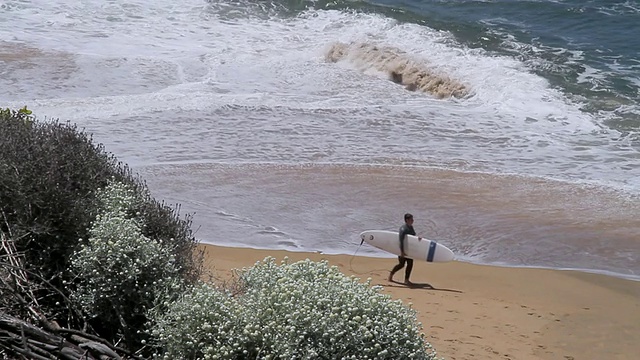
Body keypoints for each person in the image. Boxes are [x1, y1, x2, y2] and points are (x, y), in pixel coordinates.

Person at [388, 213, 422, 285]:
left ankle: (406, 280)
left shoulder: (411, 227)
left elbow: (412, 238)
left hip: (409, 250)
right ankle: (391, 274)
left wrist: (418, 239)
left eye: (412, 219)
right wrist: (402, 252)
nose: (413, 220)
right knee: (401, 264)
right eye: (411, 219)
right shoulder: (403, 229)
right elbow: (401, 240)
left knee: (410, 264)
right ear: (407, 220)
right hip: (402, 250)